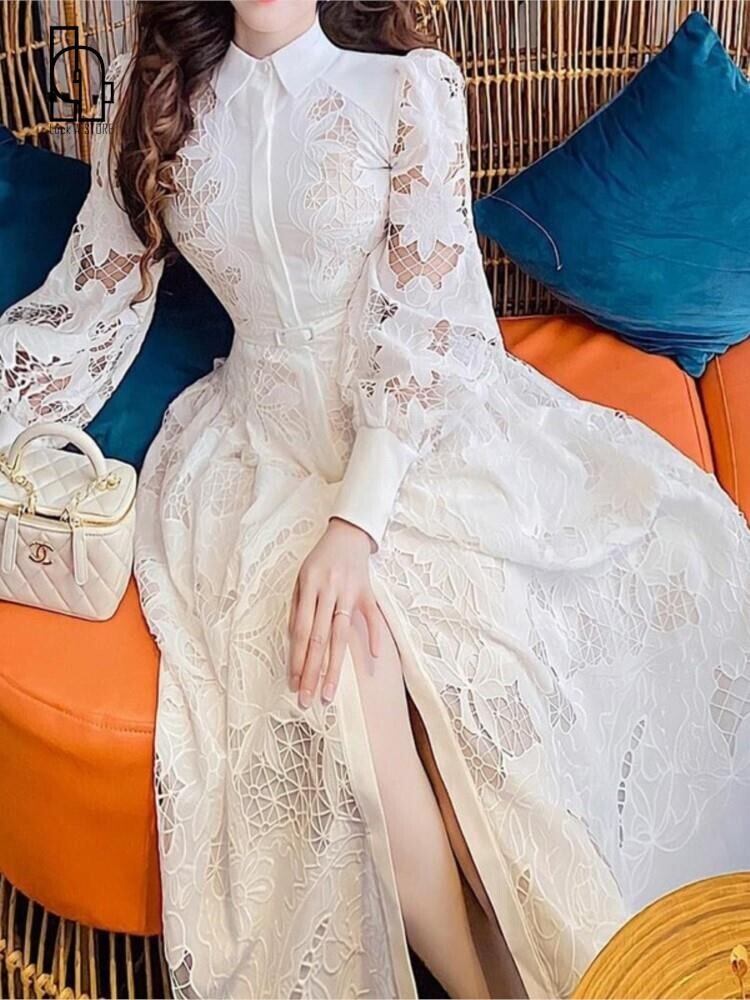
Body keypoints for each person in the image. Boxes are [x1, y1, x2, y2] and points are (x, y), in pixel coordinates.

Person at [1, 1, 749, 997]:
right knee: (340, 685)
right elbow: (87, 304)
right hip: (254, 455)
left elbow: (435, 319)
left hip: (419, 435)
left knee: (468, 698)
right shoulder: (156, 99)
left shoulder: (406, 89)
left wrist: (355, 523)